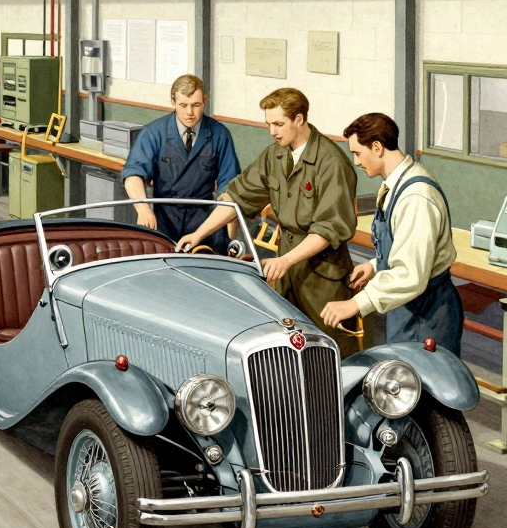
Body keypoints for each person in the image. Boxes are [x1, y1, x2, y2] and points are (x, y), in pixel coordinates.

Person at [177, 88, 361, 356]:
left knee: (327, 350)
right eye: (268, 124)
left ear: (299, 120)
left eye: (278, 124)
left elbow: (328, 228)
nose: (272, 131)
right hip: (285, 270)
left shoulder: (331, 162)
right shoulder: (274, 155)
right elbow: (238, 198)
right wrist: (199, 233)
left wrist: (286, 261)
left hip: (323, 277)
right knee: (286, 348)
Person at [321, 113, 463, 354]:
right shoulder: (395, 184)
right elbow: (406, 247)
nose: (356, 162)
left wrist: (355, 304)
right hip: (406, 308)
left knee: (419, 385)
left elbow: (410, 274)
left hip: (425, 314)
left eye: (357, 153)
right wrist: (376, 265)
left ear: (376, 147)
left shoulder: (415, 196)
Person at [122, 74, 240, 245]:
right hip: (163, 222)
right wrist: (143, 209)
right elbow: (134, 174)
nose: (189, 113)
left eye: (196, 105)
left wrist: (229, 232)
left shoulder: (220, 134)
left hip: (206, 224)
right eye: (183, 105)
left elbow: (230, 186)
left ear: (205, 101)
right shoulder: (153, 133)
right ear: (173, 102)